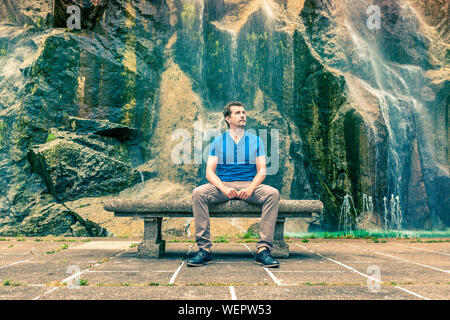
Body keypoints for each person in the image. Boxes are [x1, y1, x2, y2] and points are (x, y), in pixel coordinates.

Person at [187, 101, 280, 268]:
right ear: (228, 118)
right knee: (198, 193)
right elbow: (209, 172)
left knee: (272, 193)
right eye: (237, 113)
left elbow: (262, 171)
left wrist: (250, 188)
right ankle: (204, 250)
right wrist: (224, 188)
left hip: (249, 185)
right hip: (223, 186)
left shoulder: (256, 141)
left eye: (243, 112)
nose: (242, 115)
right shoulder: (218, 141)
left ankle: (263, 250)